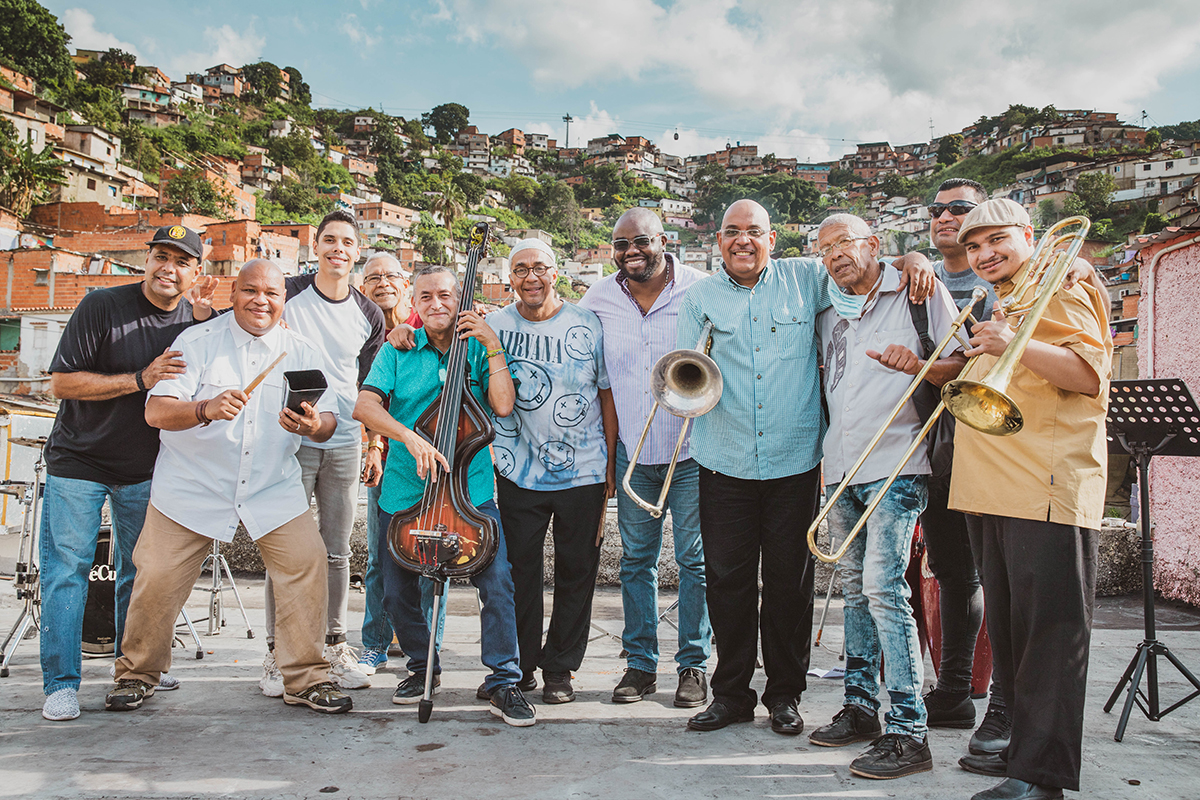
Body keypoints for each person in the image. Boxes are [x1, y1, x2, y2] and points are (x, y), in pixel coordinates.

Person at [676, 199, 933, 736]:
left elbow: (862, 269)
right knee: (727, 582)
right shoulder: (697, 297)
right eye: (731, 232)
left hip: (795, 459)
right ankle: (731, 695)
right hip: (723, 459)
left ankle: (784, 695)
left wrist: (914, 259)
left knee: (792, 584)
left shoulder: (807, 276)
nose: (742, 240)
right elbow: (685, 373)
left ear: (773, 239)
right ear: (717, 241)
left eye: (754, 231)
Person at [104, 260, 350, 714]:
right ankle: (137, 673)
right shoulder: (195, 343)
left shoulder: (301, 351)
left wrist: (314, 424)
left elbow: (329, 422)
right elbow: (156, 412)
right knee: (156, 576)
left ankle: (306, 678)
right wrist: (204, 409)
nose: (261, 301)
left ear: (283, 300)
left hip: (271, 486)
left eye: (272, 293)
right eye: (250, 290)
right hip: (192, 486)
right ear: (233, 293)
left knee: (306, 562)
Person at [922, 179, 1104, 766]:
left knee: (1050, 640)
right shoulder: (1006, 299)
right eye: (974, 247)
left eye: (997, 240)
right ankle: (1019, 751)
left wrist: (1012, 345)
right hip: (991, 488)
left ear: (1029, 238)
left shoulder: (1063, 285)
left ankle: (1042, 771)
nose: (984, 255)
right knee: (1011, 637)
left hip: (1044, 488)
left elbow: (1088, 375)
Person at [806, 214, 966, 778]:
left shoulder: (920, 291)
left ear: (875, 244)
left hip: (899, 463)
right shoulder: (829, 309)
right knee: (855, 590)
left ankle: (908, 731)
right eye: (824, 250)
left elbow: (964, 366)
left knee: (882, 586)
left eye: (843, 245)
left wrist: (920, 366)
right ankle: (859, 706)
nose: (834, 257)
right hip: (842, 466)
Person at [38, 224, 216, 722]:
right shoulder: (101, 305)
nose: (169, 268)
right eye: (161, 256)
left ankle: (137, 667)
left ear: (196, 272)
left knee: (143, 573)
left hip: (147, 468)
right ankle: (61, 684)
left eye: (182, 261)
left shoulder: (197, 324)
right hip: (79, 459)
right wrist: (141, 379)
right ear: (147, 260)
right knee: (65, 572)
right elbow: (62, 383)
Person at [353, 265, 535, 728]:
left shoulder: (475, 346)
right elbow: (365, 406)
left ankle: (503, 680)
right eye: (427, 296)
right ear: (414, 303)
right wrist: (407, 438)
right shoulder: (398, 349)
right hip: (406, 492)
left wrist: (491, 344)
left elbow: (503, 404)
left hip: (470, 495)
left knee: (496, 583)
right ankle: (421, 667)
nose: (438, 304)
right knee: (396, 589)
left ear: (460, 300)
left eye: (447, 296)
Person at [578, 207, 712, 710]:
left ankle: (693, 666)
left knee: (695, 562)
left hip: (693, 451)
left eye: (640, 241)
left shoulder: (701, 287)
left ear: (664, 239)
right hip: (634, 451)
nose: (630, 251)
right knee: (636, 562)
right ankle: (640, 666)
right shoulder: (597, 297)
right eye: (620, 244)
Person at [484, 238, 614, 704]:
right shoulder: (493, 326)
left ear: (555, 272)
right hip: (517, 470)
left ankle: (560, 667)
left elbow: (605, 394)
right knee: (519, 571)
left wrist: (612, 460)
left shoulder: (587, 325)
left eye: (540, 267)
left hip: (584, 469)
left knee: (577, 570)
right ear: (509, 277)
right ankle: (519, 666)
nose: (531, 277)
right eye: (521, 269)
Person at [260, 210, 384, 696]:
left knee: (336, 550)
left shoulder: (368, 313)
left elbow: (372, 388)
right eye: (329, 240)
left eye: (347, 242)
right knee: (284, 548)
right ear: (316, 246)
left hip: (345, 439)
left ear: (357, 251)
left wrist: (374, 442)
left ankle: (333, 644)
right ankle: (277, 653)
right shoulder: (288, 293)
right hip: (291, 436)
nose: (338, 248)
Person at [356, 253, 445, 677]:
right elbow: (372, 401)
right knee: (380, 559)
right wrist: (374, 447)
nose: (383, 283)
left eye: (391, 275)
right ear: (363, 283)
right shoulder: (368, 329)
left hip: (430, 461)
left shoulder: (421, 325)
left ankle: (427, 651)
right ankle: (374, 642)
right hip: (388, 458)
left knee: (432, 561)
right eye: (373, 277)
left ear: (406, 284)